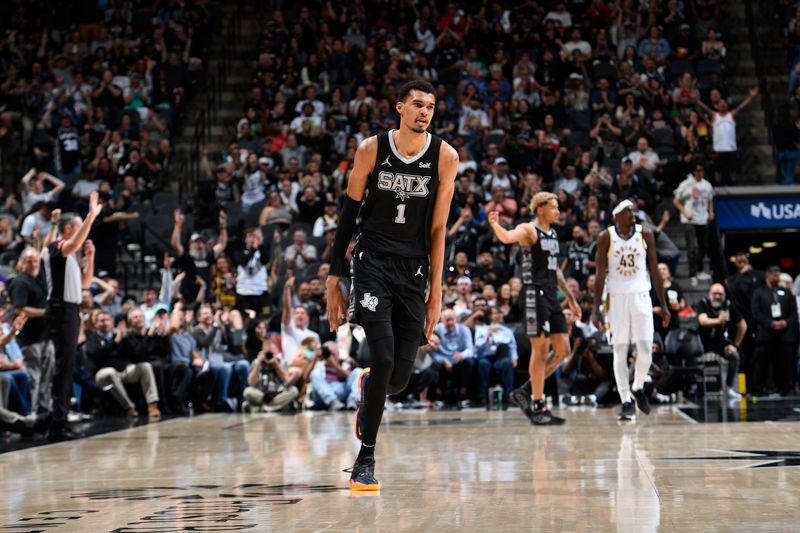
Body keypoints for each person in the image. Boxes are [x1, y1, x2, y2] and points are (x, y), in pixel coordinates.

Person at [325, 80, 458, 491]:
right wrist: (333, 277)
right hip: (372, 264)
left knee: (398, 379)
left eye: (430, 107)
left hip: (414, 270)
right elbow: (347, 216)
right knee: (382, 358)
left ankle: (368, 386)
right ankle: (365, 460)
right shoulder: (371, 150)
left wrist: (437, 293)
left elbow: (438, 228)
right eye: (417, 105)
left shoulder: (445, 157)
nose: (424, 112)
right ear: (399, 107)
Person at [488, 192, 580, 425]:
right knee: (541, 348)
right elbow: (508, 237)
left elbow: (556, 269)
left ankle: (525, 391)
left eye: (558, 208)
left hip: (551, 294)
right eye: (553, 208)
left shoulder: (553, 233)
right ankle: (538, 405)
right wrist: (495, 225)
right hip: (533, 293)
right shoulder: (529, 229)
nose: (558, 212)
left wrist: (570, 298)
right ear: (540, 209)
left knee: (562, 349)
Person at [592, 199, 670, 421]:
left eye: (633, 211)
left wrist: (663, 304)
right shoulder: (605, 237)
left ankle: (637, 387)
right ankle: (626, 401)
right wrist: (596, 309)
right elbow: (599, 275)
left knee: (646, 348)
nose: (633, 214)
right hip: (616, 297)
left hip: (641, 295)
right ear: (617, 215)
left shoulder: (645, 234)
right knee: (620, 348)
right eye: (628, 212)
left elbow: (654, 270)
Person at [43, 192, 101, 441]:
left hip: (71, 310)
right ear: (69, 229)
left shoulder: (71, 257)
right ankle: (57, 423)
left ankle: (60, 418)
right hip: (60, 310)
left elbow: (86, 284)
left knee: (67, 367)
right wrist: (91, 216)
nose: (83, 233)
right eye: (79, 228)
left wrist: (91, 256)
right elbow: (74, 244)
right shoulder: (56, 248)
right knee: (63, 368)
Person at [9, 248, 54, 415]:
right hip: (30, 339)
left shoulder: (39, 278)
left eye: (35, 261)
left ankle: (45, 412)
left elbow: (44, 250)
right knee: (33, 378)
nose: (34, 264)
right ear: (21, 263)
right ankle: (30, 414)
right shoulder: (20, 282)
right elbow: (20, 309)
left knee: (47, 377)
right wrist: (44, 313)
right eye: (29, 261)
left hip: (45, 336)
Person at [751, 266, 799, 396]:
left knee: (785, 363)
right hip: (766, 334)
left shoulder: (787, 293)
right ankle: (759, 388)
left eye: (778, 275)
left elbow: (794, 313)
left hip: (784, 335)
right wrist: (770, 323)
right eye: (775, 275)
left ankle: (786, 388)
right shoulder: (759, 292)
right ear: (768, 276)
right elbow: (755, 313)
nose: (777, 278)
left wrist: (785, 322)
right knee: (763, 363)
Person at [695, 283, 747, 400]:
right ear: (709, 294)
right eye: (715, 294)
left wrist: (735, 345)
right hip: (703, 341)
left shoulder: (728, 305)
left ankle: (728, 388)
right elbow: (703, 321)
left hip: (720, 342)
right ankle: (694, 387)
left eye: (720, 294)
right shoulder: (703, 303)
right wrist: (719, 320)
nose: (717, 296)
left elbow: (743, 325)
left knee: (735, 356)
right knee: (691, 356)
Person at [672, 163, 714, 285]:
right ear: (694, 171)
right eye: (697, 170)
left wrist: (710, 212)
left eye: (701, 170)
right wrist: (685, 212)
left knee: (703, 246)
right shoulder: (686, 184)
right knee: (693, 247)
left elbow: (710, 200)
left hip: (703, 218)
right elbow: (675, 200)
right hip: (690, 219)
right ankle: (693, 273)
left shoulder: (707, 185)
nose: (699, 173)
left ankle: (700, 270)